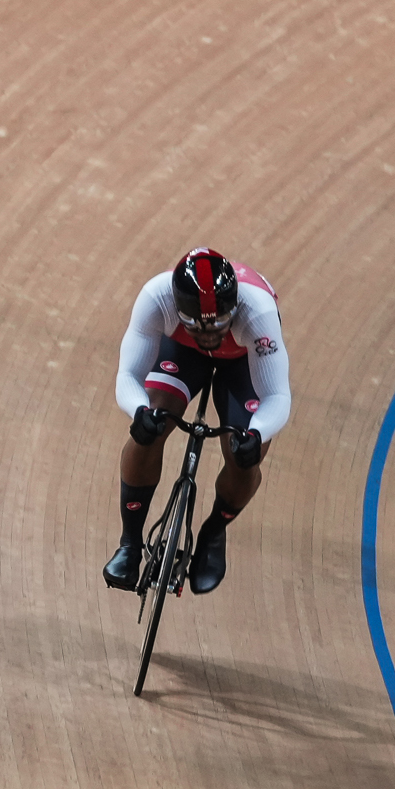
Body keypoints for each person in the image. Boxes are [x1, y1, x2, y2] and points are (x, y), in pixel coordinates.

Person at [105, 247, 291, 595]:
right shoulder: (156, 297)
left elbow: (278, 397)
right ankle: (129, 544)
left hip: (242, 361)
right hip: (183, 352)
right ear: (178, 309)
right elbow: (127, 375)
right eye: (197, 325)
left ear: (234, 309)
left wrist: (257, 433)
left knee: (244, 456)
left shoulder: (258, 313)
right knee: (152, 426)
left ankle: (214, 529)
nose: (208, 334)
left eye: (219, 322)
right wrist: (140, 412)